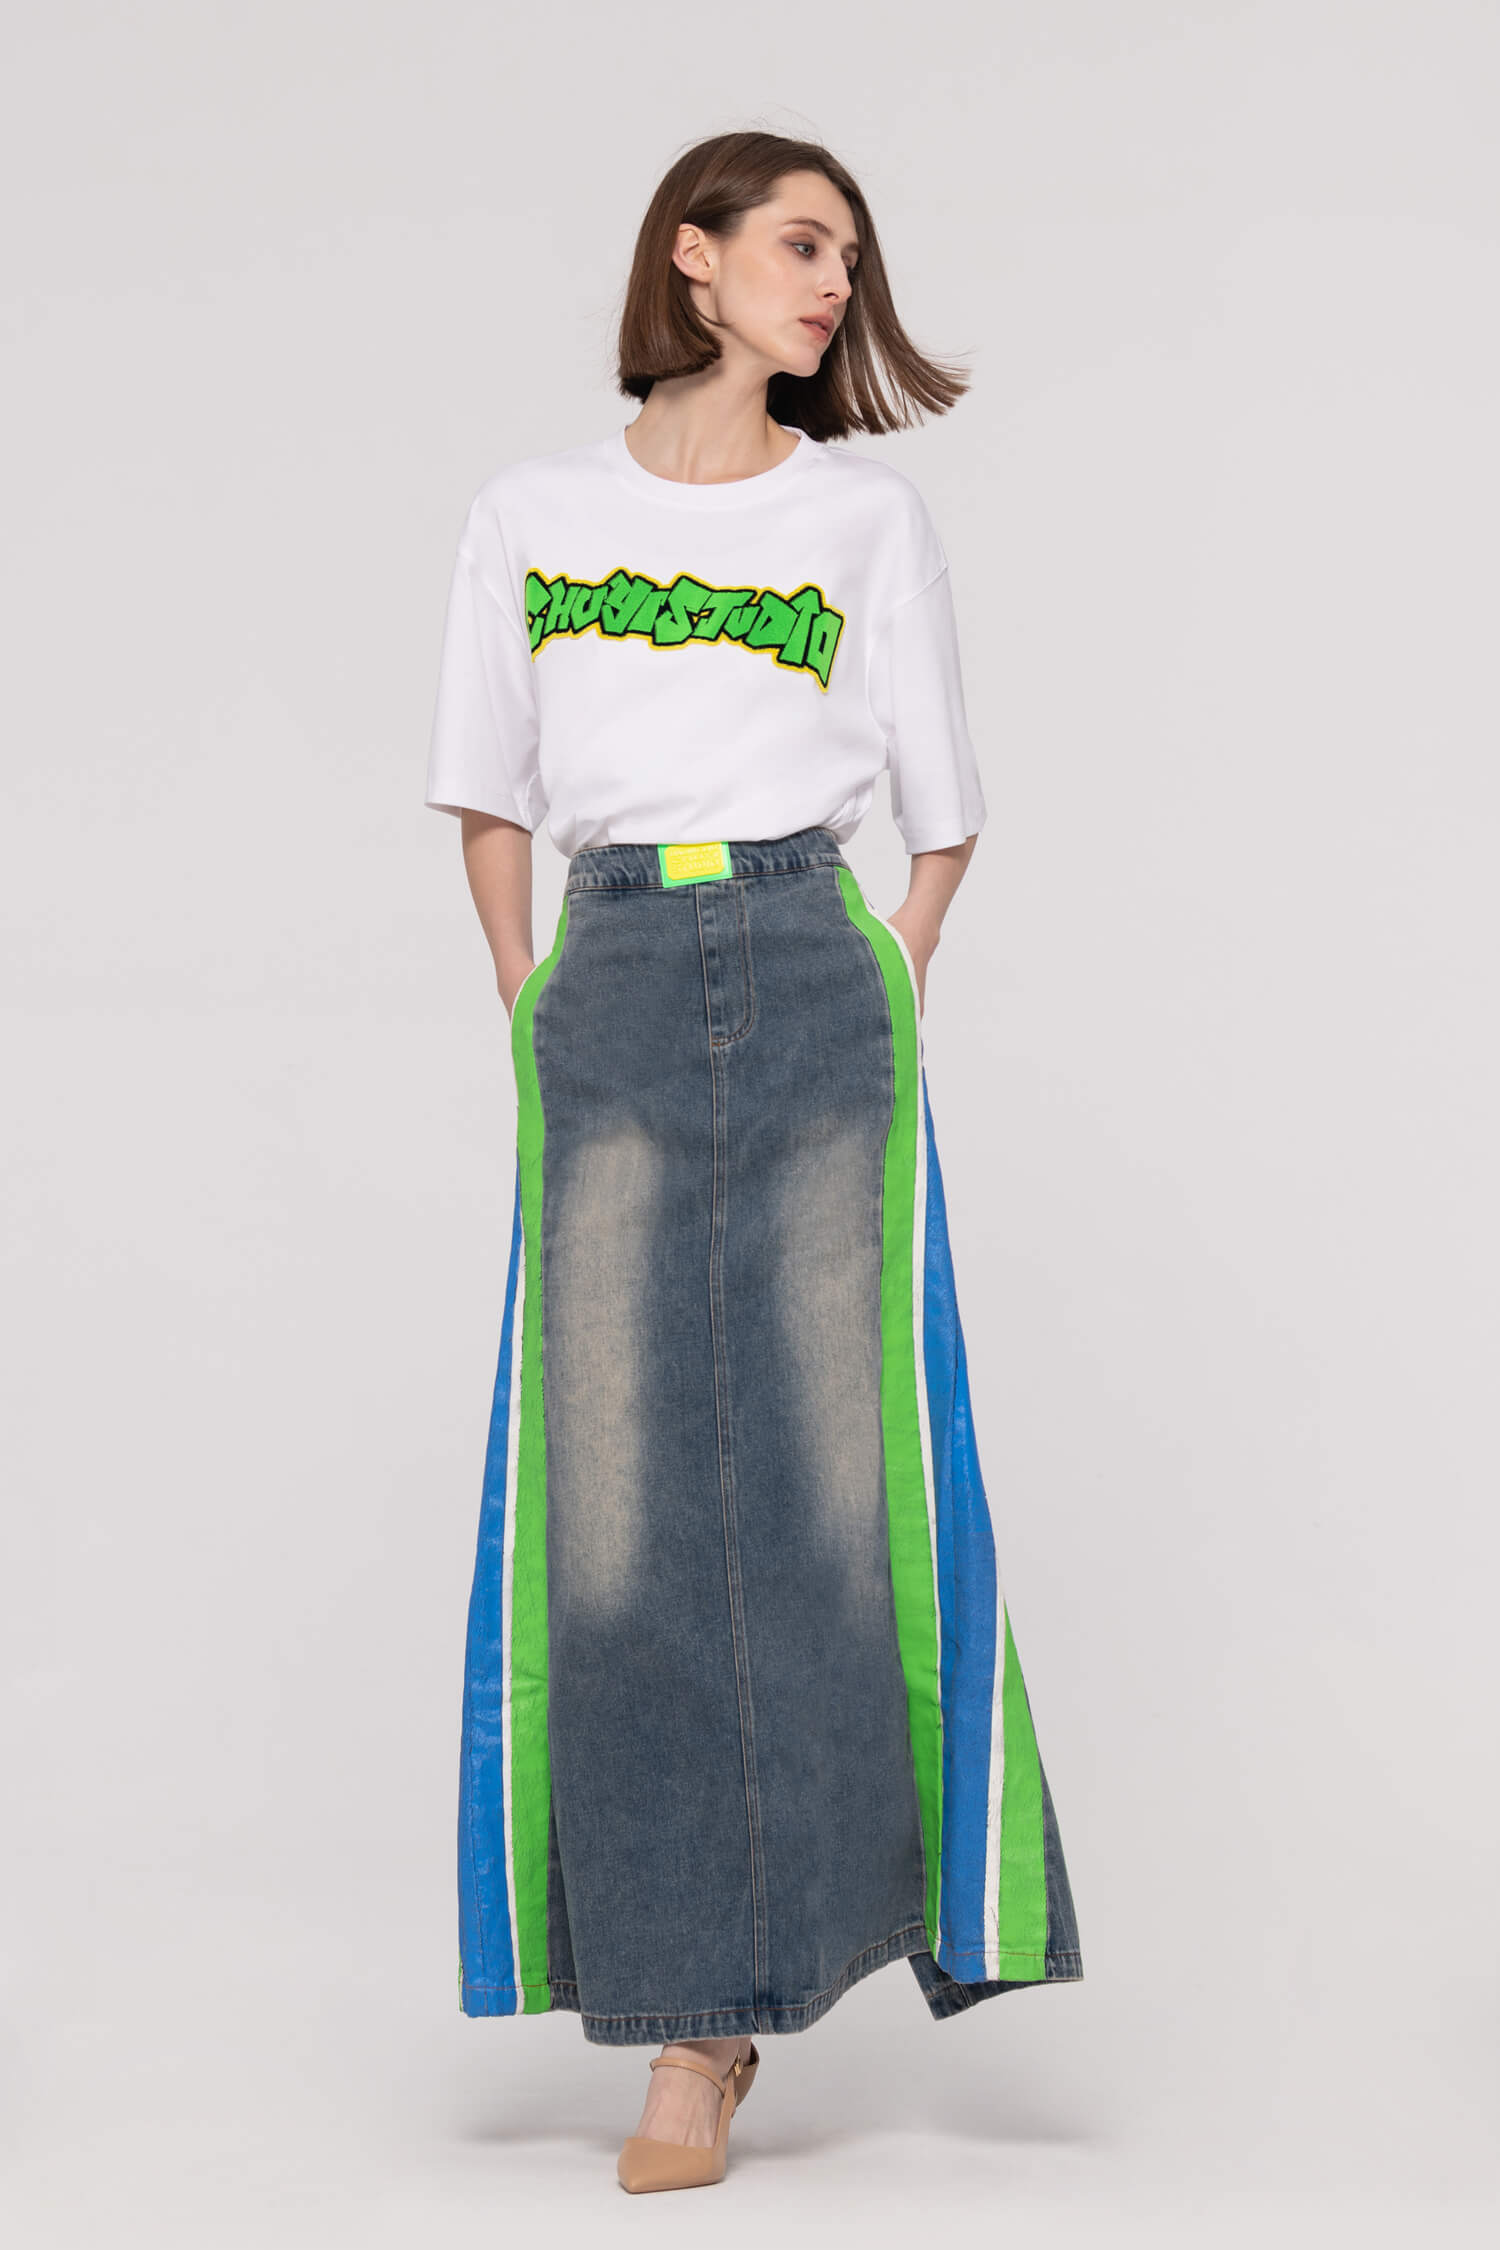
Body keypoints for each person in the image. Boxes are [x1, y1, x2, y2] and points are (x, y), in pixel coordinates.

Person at [424, 128, 1084, 2195]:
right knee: (618, 1505)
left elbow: (946, 808)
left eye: (850, 259)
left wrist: (890, 963)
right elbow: (488, 788)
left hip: (811, 969)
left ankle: (771, 1991)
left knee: (823, 1482)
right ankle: (678, 2007)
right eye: (802, 245)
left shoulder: (865, 521)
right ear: (693, 261)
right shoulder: (532, 515)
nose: (833, 283)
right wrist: (530, 998)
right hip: (609, 980)